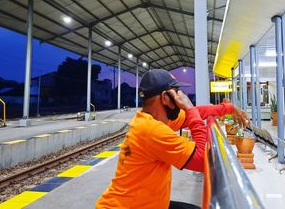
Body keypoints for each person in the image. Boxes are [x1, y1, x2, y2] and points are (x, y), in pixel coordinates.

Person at [96, 69, 249, 209]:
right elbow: (203, 160)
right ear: (164, 97)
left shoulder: (153, 120)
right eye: (176, 93)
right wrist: (189, 108)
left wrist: (228, 109)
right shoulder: (152, 130)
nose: (181, 98)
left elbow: (198, 112)